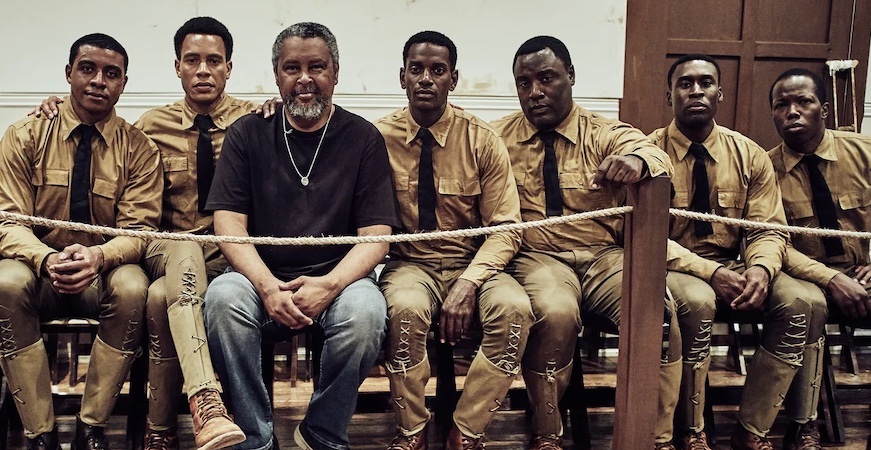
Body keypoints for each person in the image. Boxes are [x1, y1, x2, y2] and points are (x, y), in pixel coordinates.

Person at [33, 17, 253, 450]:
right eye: (193, 60)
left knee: (158, 297)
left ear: (229, 68)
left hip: (233, 255)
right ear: (177, 67)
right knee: (160, 286)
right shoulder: (151, 126)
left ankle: (161, 429)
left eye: (214, 61)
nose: (203, 70)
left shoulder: (256, 122)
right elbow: (103, 130)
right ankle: (178, 420)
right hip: (166, 251)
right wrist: (56, 110)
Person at [202, 22, 400, 450]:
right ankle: (255, 437)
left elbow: (376, 237)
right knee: (222, 300)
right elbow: (229, 225)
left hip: (339, 278)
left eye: (317, 66)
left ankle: (322, 431)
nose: (305, 78)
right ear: (277, 75)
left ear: (335, 72)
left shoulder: (364, 138)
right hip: (260, 277)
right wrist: (267, 286)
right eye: (292, 67)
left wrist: (329, 285)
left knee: (366, 314)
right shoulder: (246, 133)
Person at [491, 36, 680, 450]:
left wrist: (637, 162)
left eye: (546, 78)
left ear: (571, 76)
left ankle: (652, 433)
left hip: (603, 259)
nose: (535, 92)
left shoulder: (605, 133)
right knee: (555, 313)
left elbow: (656, 154)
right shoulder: (496, 138)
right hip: (537, 258)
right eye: (524, 83)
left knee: (658, 310)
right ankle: (546, 434)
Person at [649, 55, 824, 450]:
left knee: (803, 300)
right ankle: (691, 432)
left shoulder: (748, 155)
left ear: (720, 93)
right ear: (668, 94)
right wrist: (710, 273)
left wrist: (761, 269)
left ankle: (752, 430)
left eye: (706, 83)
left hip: (737, 266)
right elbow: (647, 238)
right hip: (674, 267)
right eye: (685, 83)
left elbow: (767, 228)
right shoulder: (650, 153)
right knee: (696, 300)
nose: (696, 90)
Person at [0, 33, 162, 450]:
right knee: (4, 282)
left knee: (133, 286)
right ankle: (41, 432)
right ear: (68, 73)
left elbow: (140, 230)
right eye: (87, 68)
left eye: (112, 74)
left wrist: (98, 256)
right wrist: (45, 259)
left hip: (102, 274)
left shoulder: (139, 148)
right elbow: (8, 220)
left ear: (124, 84)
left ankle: (93, 427)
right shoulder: (25, 136)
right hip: (38, 272)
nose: (98, 81)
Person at [374, 31, 533, 450]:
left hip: (474, 262)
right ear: (402, 77)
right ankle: (410, 432)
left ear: (454, 79)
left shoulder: (481, 139)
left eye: (438, 70)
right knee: (403, 310)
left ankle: (467, 430)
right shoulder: (377, 139)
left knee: (515, 310)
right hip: (410, 264)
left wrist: (470, 281)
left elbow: (506, 226)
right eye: (417, 70)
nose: (426, 79)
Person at [768, 68, 871, 450]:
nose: (792, 112)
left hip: (863, 278)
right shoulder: (763, 168)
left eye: (803, 102)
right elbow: (770, 241)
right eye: (782, 105)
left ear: (823, 109)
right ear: (774, 115)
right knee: (804, 309)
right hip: (799, 278)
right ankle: (803, 426)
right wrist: (828, 278)